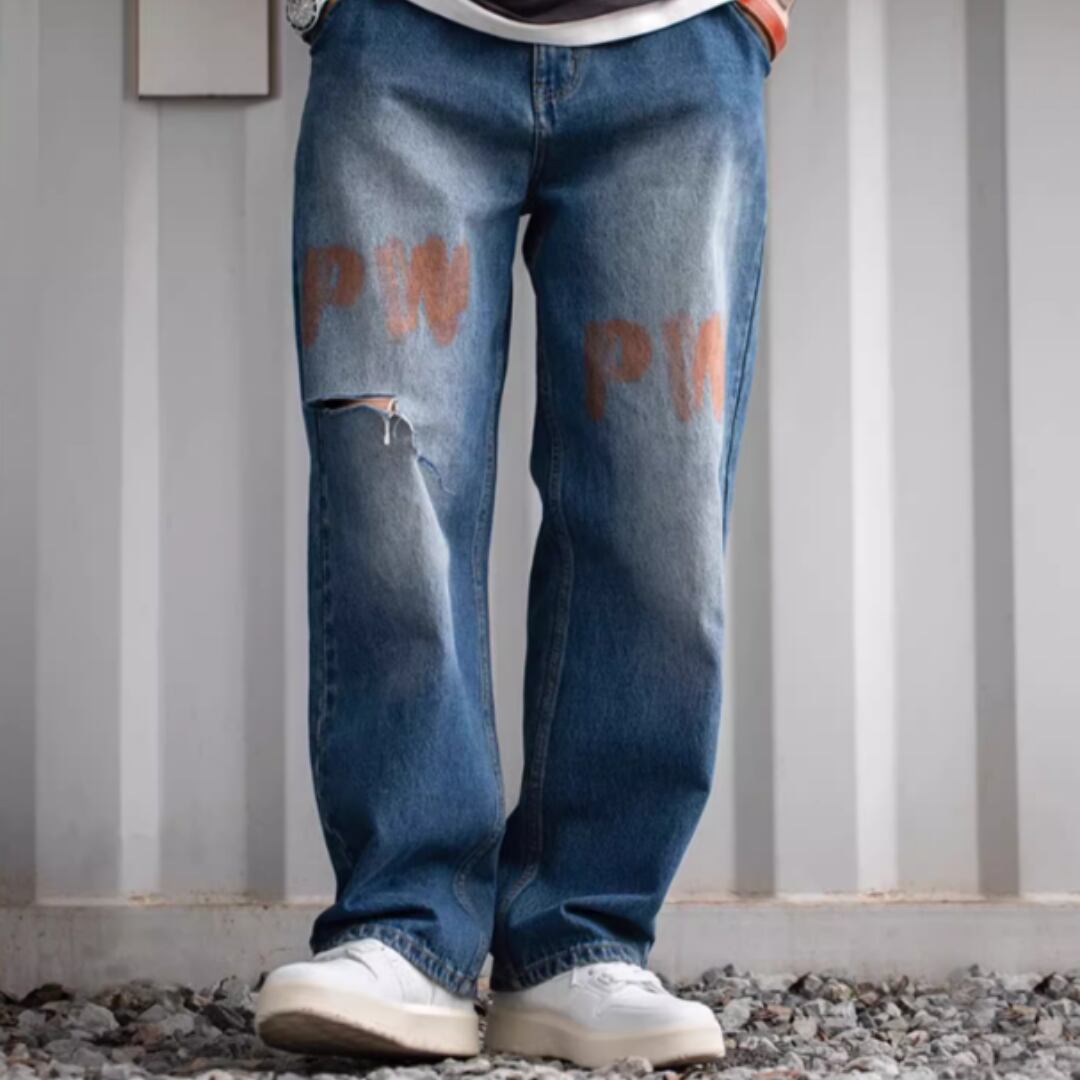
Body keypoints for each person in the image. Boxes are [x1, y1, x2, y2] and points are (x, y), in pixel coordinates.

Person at [254, 0, 792, 1067]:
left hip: (679, 43)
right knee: (391, 500)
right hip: (404, 32)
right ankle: (404, 926)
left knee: (659, 521)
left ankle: (582, 938)